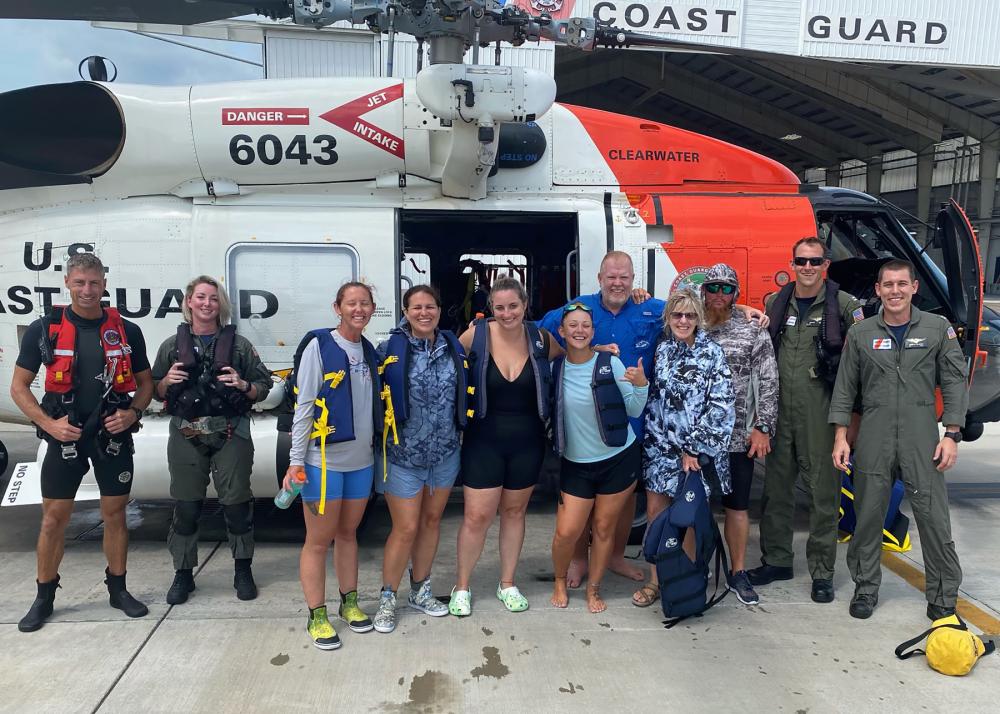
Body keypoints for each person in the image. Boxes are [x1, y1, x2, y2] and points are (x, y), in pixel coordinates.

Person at [538, 251, 765, 588]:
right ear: (599, 278)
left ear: (634, 281)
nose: (617, 283)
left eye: (624, 278)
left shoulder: (653, 309)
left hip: (637, 423)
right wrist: (484, 328)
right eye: (611, 277)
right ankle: (579, 559)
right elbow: (536, 329)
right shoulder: (580, 308)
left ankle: (616, 556)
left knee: (625, 497)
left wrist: (741, 309)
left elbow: (695, 313)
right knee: (585, 498)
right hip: (589, 423)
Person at [12, 252, 153, 632]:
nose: (87, 290)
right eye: (80, 283)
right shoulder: (45, 330)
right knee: (53, 520)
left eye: (94, 283)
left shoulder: (127, 331)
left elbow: (145, 384)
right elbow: (19, 387)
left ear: (105, 284)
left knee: (115, 515)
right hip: (65, 437)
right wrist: (47, 424)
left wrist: (133, 414)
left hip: (112, 436)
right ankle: (44, 597)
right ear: (67, 284)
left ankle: (118, 589)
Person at [830, 260, 967, 620]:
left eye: (901, 284)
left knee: (934, 519)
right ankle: (865, 587)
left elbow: (953, 381)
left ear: (913, 287)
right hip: (874, 433)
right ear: (877, 290)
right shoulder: (861, 334)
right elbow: (845, 388)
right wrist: (841, 436)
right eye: (887, 285)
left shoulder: (938, 329)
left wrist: (951, 433)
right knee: (868, 515)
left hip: (922, 435)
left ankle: (942, 594)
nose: (894, 291)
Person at [750, 237, 864, 605]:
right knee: (776, 492)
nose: (808, 268)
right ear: (793, 263)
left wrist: (852, 418)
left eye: (815, 261)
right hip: (780, 411)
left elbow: (864, 352)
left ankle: (822, 572)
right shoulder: (775, 302)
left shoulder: (843, 305)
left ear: (825, 264)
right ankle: (778, 560)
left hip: (822, 411)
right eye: (801, 261)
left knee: (823, 495)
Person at [152, 276, 272, 604]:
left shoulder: (240, 347)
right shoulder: (171, 347)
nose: (207, 304)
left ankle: (242, 568)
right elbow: (152, 388)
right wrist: (165, 383)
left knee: (236, 506)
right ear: (189, 301)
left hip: (230, 431)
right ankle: (183, 573)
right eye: (201, 297)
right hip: (186, 432)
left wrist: (243, 385)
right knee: (187, 507)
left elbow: (265, 385)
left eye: (214, 299)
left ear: (221, 305)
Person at [450, 275, 561, 616]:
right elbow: (446, 367)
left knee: (514, 513)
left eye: (513, 306)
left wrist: (602, 351)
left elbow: (576, 352)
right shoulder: (475, 335)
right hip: (484, 442)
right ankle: (463, 587)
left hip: (528, 443)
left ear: (525, 306)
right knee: (476, 516)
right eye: (499, 307)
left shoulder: (542, 339)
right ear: (491, 309)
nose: (507, 313)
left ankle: (507, 583)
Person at [282, 282, 383, 650]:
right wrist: (295, 463)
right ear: (337, 307)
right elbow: (304, 407)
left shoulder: (369, 351)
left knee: (348, 534)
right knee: (318, 540)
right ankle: (317, 614)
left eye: (365, 303)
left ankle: (350, 603)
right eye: (351, 303)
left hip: (361, 462)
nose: (359, 309)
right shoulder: (319, 346)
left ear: (373, 308)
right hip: (323, 462)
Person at [373, 285, 469, 633]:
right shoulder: (388, 350)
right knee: (406, 527)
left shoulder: (453, 346)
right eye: (417, 307)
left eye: (430, 306)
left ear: (440, 310)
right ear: (406, 311)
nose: (424, 313)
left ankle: (420, 589)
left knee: (431, 524)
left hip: (444, 455)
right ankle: (387, 597)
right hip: (403, 456)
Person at [633, 288, 734, 607]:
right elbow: (656, 400)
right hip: (660, 452)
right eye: (677, 314)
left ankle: (687, 581)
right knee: (655, 515)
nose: (683, 320)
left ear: (699, 318)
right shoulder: (662, 350)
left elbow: (722, 404)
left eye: (690, 315)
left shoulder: (712, 353)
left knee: (687, 518)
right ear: (669, 317)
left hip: (694, 456)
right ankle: (655, 581)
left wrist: (695, 448)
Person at [549, 302, 648, 613]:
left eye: (586, 326)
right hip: (576, 465)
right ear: (562, 332)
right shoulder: (554, 368)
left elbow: (633, 409)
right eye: (573, 326)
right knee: (567, 531)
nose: (580, 331)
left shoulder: (611, 364)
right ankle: (560, 580)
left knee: (604, 528)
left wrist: (641, 385)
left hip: (618, 458)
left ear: (593, 331)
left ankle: (594, 588)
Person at [701, 264, 779, 606]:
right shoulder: (688, 324)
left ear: (736, 293)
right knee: (694, 506)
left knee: (737, 507)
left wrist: (763, 427)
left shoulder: (752, 331)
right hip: (697, 438)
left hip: (736, 438)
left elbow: (768, 381)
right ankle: (696, 568)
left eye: (727, 289)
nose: (720, 295)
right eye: (714, 288)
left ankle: (737, 571)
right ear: (703, 291)